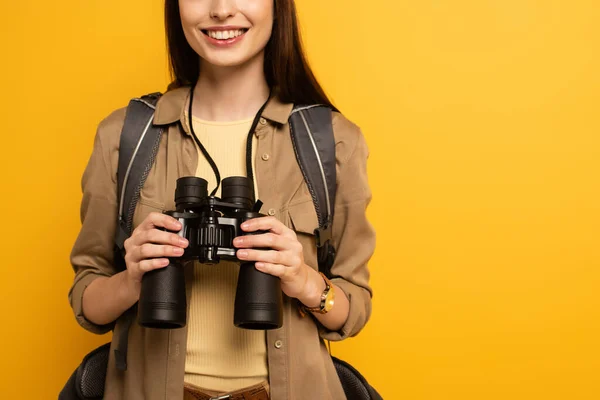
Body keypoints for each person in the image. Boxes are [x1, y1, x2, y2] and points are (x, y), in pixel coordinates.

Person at [68, 0, 375, 399]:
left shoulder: (331, 141)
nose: (221, 10)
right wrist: (132, 279)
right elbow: (86, 300)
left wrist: (301, 279)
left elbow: (354, 310)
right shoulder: (125, 135)